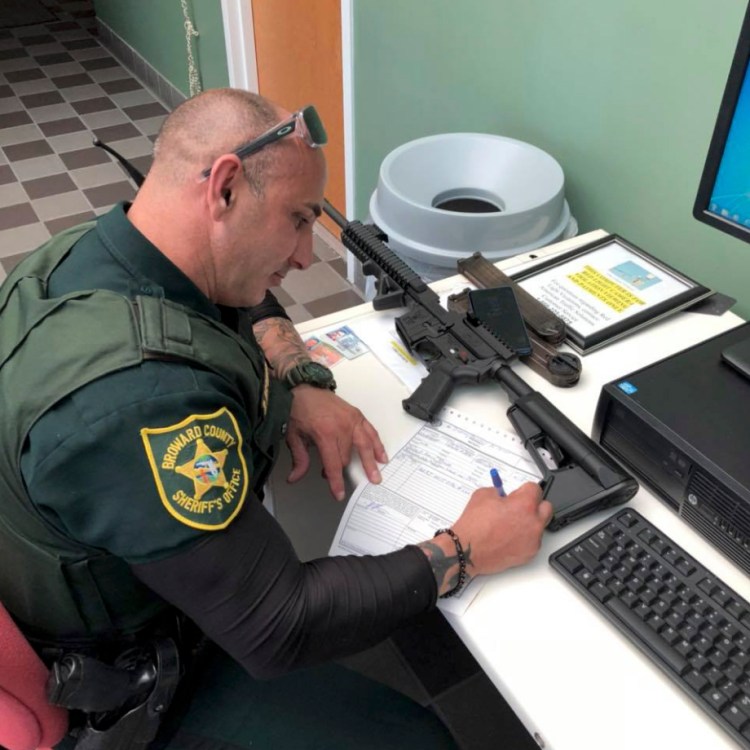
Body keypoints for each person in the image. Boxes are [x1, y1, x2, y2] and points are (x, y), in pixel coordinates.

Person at [0, 88, 553, 749]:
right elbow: (277, 627)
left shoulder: (92, 251)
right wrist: (462, 551)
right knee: (419, 741)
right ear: (226, 188)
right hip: (130, 675)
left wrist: (296, 380)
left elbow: (233, 304)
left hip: (100, 577)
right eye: (298, 220)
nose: (302, 258)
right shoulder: (140, 401)